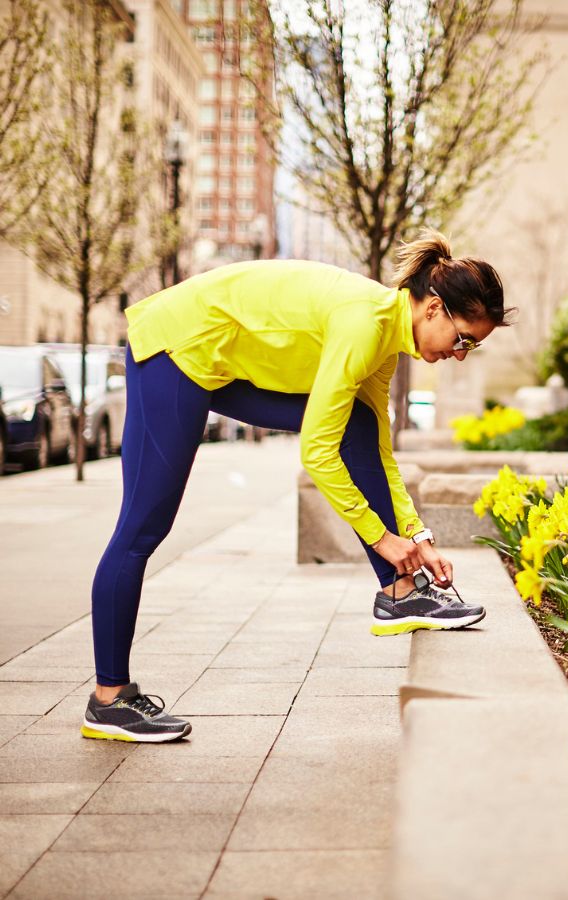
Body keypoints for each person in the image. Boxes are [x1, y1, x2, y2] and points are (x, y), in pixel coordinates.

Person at [81, 230, 514, 743]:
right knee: (142, 527)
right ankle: (109, 698)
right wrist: (382, 538)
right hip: (174, 350)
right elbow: (317, 451)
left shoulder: (385, 336)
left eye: (472, 347)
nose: (461, 355)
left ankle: (400, 591)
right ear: (435, 308)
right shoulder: (365, 326)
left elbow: (376, 448)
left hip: (220, 360)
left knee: (358, 424)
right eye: (463, 340)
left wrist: (416, 536)